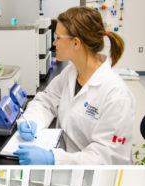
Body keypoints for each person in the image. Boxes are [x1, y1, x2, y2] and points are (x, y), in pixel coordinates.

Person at [15, 6, 135, 165]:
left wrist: (54, 159)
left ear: (76, 43)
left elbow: (107, 157)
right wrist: (31, 120)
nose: (54, 42)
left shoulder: (117, 95)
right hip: (63, 153)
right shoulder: (71, 74)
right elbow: (46, 101)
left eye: (58, 37)